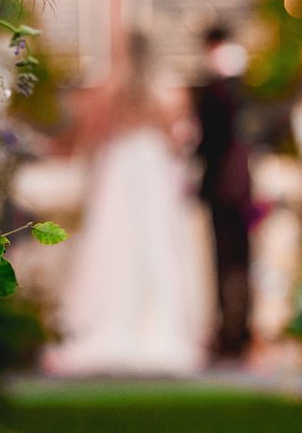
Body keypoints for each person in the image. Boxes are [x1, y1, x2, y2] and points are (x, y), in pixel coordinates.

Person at [42, 31, 209, 375]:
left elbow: (92, 137)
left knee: (114, 245)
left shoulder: (106, 90)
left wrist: (89, 176)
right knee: (155, 246)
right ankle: (157, 329)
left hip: (120, 167)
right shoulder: (167, 92)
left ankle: (107, 325)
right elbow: (174, 137)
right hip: (150, 167)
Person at [193, 24, 253, 360]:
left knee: (228, 259)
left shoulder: (218, 90)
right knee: (239, 259)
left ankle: (232, 330)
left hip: (224, 186)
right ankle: (237, 326)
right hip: (241, 184)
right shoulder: (243, 86)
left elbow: (212, 141)